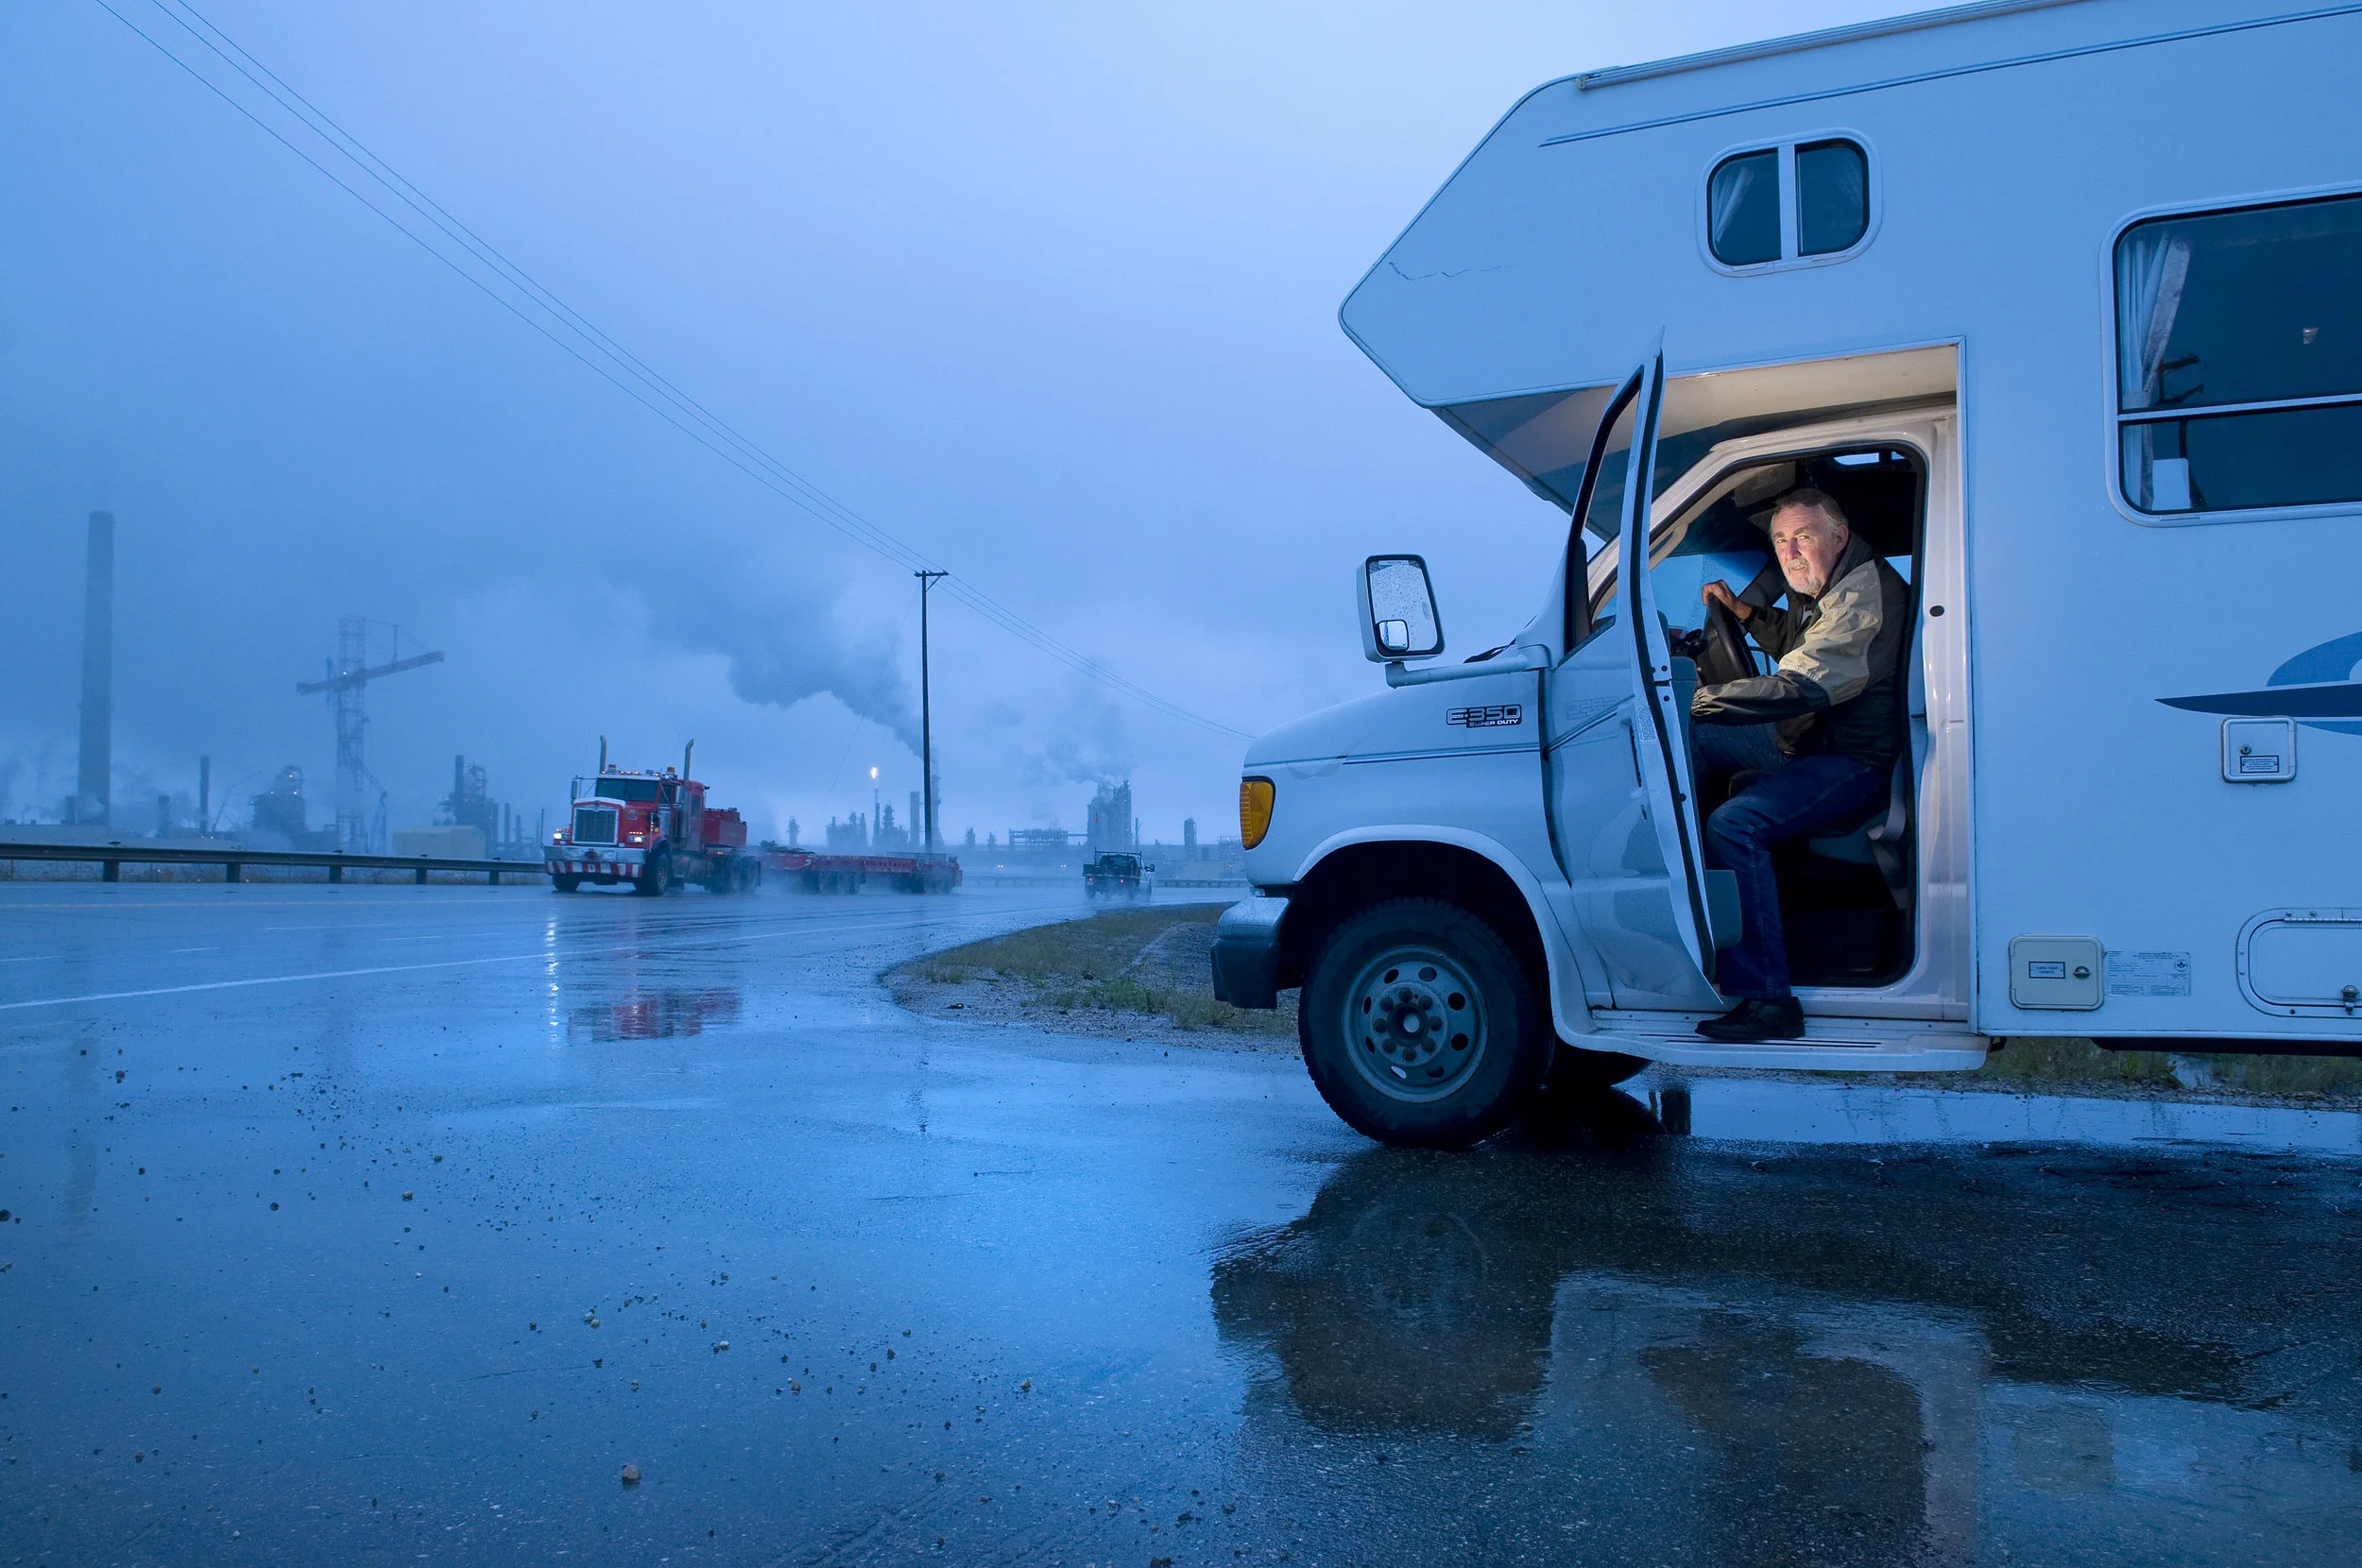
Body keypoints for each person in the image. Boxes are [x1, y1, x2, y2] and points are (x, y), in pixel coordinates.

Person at [1686, 488, 1910, 1043]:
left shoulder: (1865, 593)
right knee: (1696, 737)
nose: (1790, 551)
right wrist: (1744, 614)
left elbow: (1803, 681)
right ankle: (1685, 895)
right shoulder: (1828, 584)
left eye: (1803, 538)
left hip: (1851, 758)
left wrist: (1693, 699)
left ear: (1838, 536)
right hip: (1808, 739)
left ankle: (1767, 1001)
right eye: (1781, 540)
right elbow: (1800, 639)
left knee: (1735, 824)